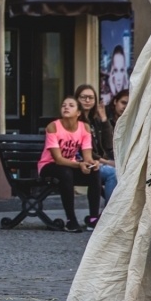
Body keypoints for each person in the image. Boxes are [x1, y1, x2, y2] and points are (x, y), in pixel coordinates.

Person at [38, 96, 102, 233]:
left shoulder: (84, 128)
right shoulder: (53, 127)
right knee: (65, 172)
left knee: (94, 172)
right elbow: (58, 159)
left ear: (78, 112)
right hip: (48, 166)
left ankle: (93, 219)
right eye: (63, 105)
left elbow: (87, 156)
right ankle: (71, 220)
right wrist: (80, 165)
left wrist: (92, 163)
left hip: (69, 167)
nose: (66, 107)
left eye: (71, 105)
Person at [75, 84, 114, 227]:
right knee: (112, 173)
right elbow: (84, 151)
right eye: (83, 97)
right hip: (82, 164)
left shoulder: (95, 121)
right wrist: (107, 162)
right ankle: (109, 216)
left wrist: (104, 119)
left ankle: (111, 215)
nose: (87, 100)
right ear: (77, 99)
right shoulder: (75, 122)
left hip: (98, 162)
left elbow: (109, 144)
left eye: (91, 98)